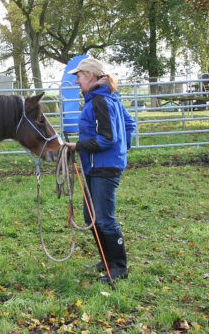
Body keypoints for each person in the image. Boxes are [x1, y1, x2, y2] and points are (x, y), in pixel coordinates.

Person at [63, 57, 136, 282]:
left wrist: (77, 146)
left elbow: (106, 138)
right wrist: (123, 149)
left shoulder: (101, 101)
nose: (76, 81)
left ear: (91, 76)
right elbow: (129, 125)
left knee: (103, 219)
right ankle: (107, 260)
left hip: (104, 167)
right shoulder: (105, 98)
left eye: (79, 76)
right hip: (97, 166)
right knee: (91, 216)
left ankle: (119, 267)